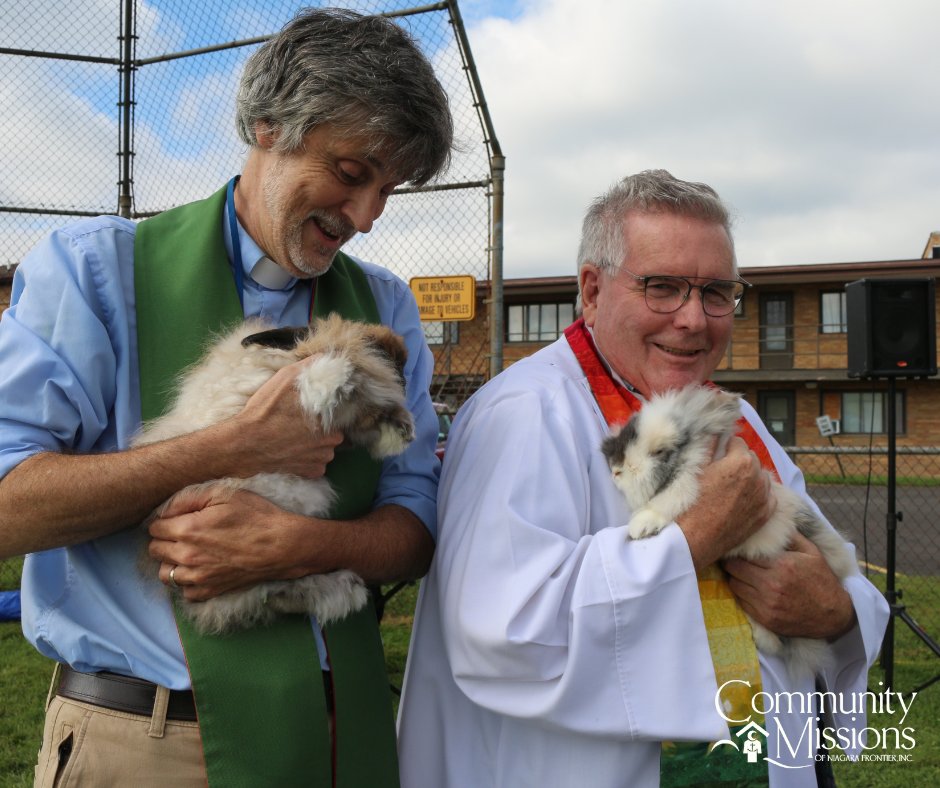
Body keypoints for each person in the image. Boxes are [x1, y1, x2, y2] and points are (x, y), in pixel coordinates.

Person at [0, 8, 452, 787]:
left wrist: (305, 546)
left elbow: (415, 524)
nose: (368, 217)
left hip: (336, 732)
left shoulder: (385, 308)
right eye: (352, 172)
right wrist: (229, 448)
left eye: (389, 190)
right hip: (147, 739)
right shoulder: (91, 273)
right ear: (269, 124)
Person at [397, 170, 889, 787]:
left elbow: (828, 568)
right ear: (592, 290)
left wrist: (837, 613)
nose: (693, 319)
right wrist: (694, 536)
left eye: (716, 292)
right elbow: (503, 633)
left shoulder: (734, 419)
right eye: (662, 288)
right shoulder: (523, 414)